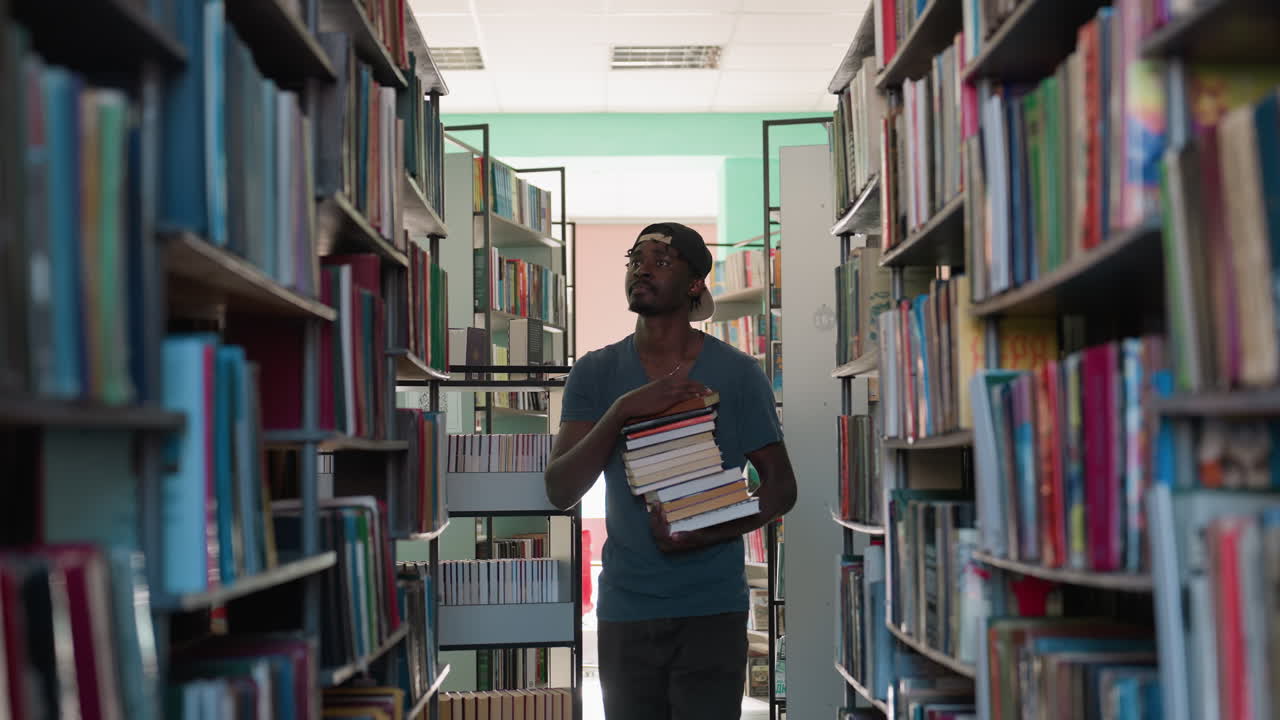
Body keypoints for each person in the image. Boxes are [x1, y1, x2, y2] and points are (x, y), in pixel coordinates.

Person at [544, 222, 798, 720]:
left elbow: (782, 488)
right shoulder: (595, 373)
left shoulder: (738, 374)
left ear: (694, 283)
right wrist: (622, 411)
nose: (642, 268)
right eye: (635, 258)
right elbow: (560, 490)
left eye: (661, 260)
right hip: (627, 609)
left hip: (713, 609)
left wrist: (704, 533)